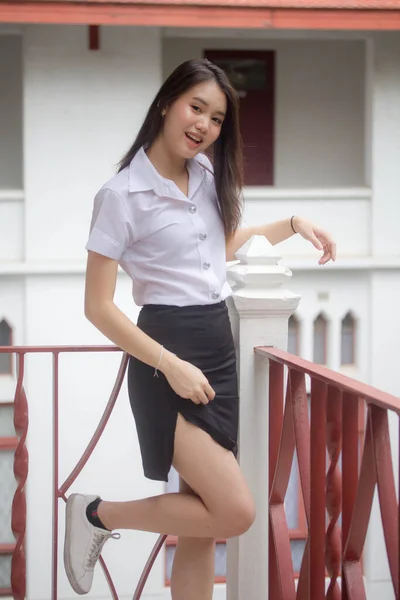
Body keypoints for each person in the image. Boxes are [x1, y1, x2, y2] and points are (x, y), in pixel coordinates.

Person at [63, 58, 336, 598]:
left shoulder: (206, 175)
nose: (204, 125)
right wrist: (171, 365)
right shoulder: (120, 195)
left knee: (201, 528)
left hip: (217, 352)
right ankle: (95, 514)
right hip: (167, 357)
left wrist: (291, 225)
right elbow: (97, 306)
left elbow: (213, 253)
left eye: (216, 119)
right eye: (196, 108)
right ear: (167, 103)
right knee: (234, 512)